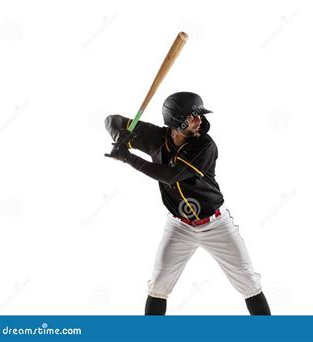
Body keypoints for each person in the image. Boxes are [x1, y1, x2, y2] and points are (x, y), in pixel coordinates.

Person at [104, 92, 271, 315]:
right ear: (176, 121)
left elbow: (171, 175)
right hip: (179, 226)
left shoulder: (204, 145)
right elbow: (111, 119)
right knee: (159, 285)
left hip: (216, 225)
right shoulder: (155, 136)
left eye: (199, 115)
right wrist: (119, 134)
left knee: (249, 283)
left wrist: (128, 157)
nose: (199, 120)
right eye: (193, 116)